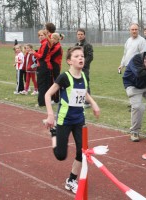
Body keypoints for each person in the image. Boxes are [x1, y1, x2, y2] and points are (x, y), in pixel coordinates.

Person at [44, 46, 100, 194]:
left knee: (83, 151)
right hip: (64, 120)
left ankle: (71, 180)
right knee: (61, 155)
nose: (81, 58)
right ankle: (54, 134)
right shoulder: (64, 77)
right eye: (76, 56)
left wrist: (93, 103)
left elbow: (84, 93)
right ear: (69, 61)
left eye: (82, 56)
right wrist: (50, 115)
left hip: (79, 120)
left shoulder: (84, 77)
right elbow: (48, 95)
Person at [29, 30, 51, 107]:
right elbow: (41, 54)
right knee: (44, 85)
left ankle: (41, 102)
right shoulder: (43, 44)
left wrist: (34, 53)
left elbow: (42, 56)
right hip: (43, 65)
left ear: (45, 35)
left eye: (42, 35)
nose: (40, 37)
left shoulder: (45, 44)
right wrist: (35, 52)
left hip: (43, 66)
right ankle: (44, 102)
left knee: (41, 84)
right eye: (39, 35)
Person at [75, 28, 93, 107]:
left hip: (84, 68)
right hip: (76, 68)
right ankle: (80, 99)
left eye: (81, 34)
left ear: (84, 35)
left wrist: (82, 64)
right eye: (78, 34)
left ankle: (87, 102)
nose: (80, 36)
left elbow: (90, 57)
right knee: (78, 83)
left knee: (85, 83)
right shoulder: (76, 45)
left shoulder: (87, 45)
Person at [48, 33, 64, 103]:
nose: (52, 39)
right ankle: (52, 97)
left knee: (56, 82)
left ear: (57, 39)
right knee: (51, 81)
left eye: (53, 38)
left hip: (56, 65)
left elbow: (50, 54)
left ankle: (56, 99)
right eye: (51, 38)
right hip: (53, 64)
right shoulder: (54, 45)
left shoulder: (57, 46)